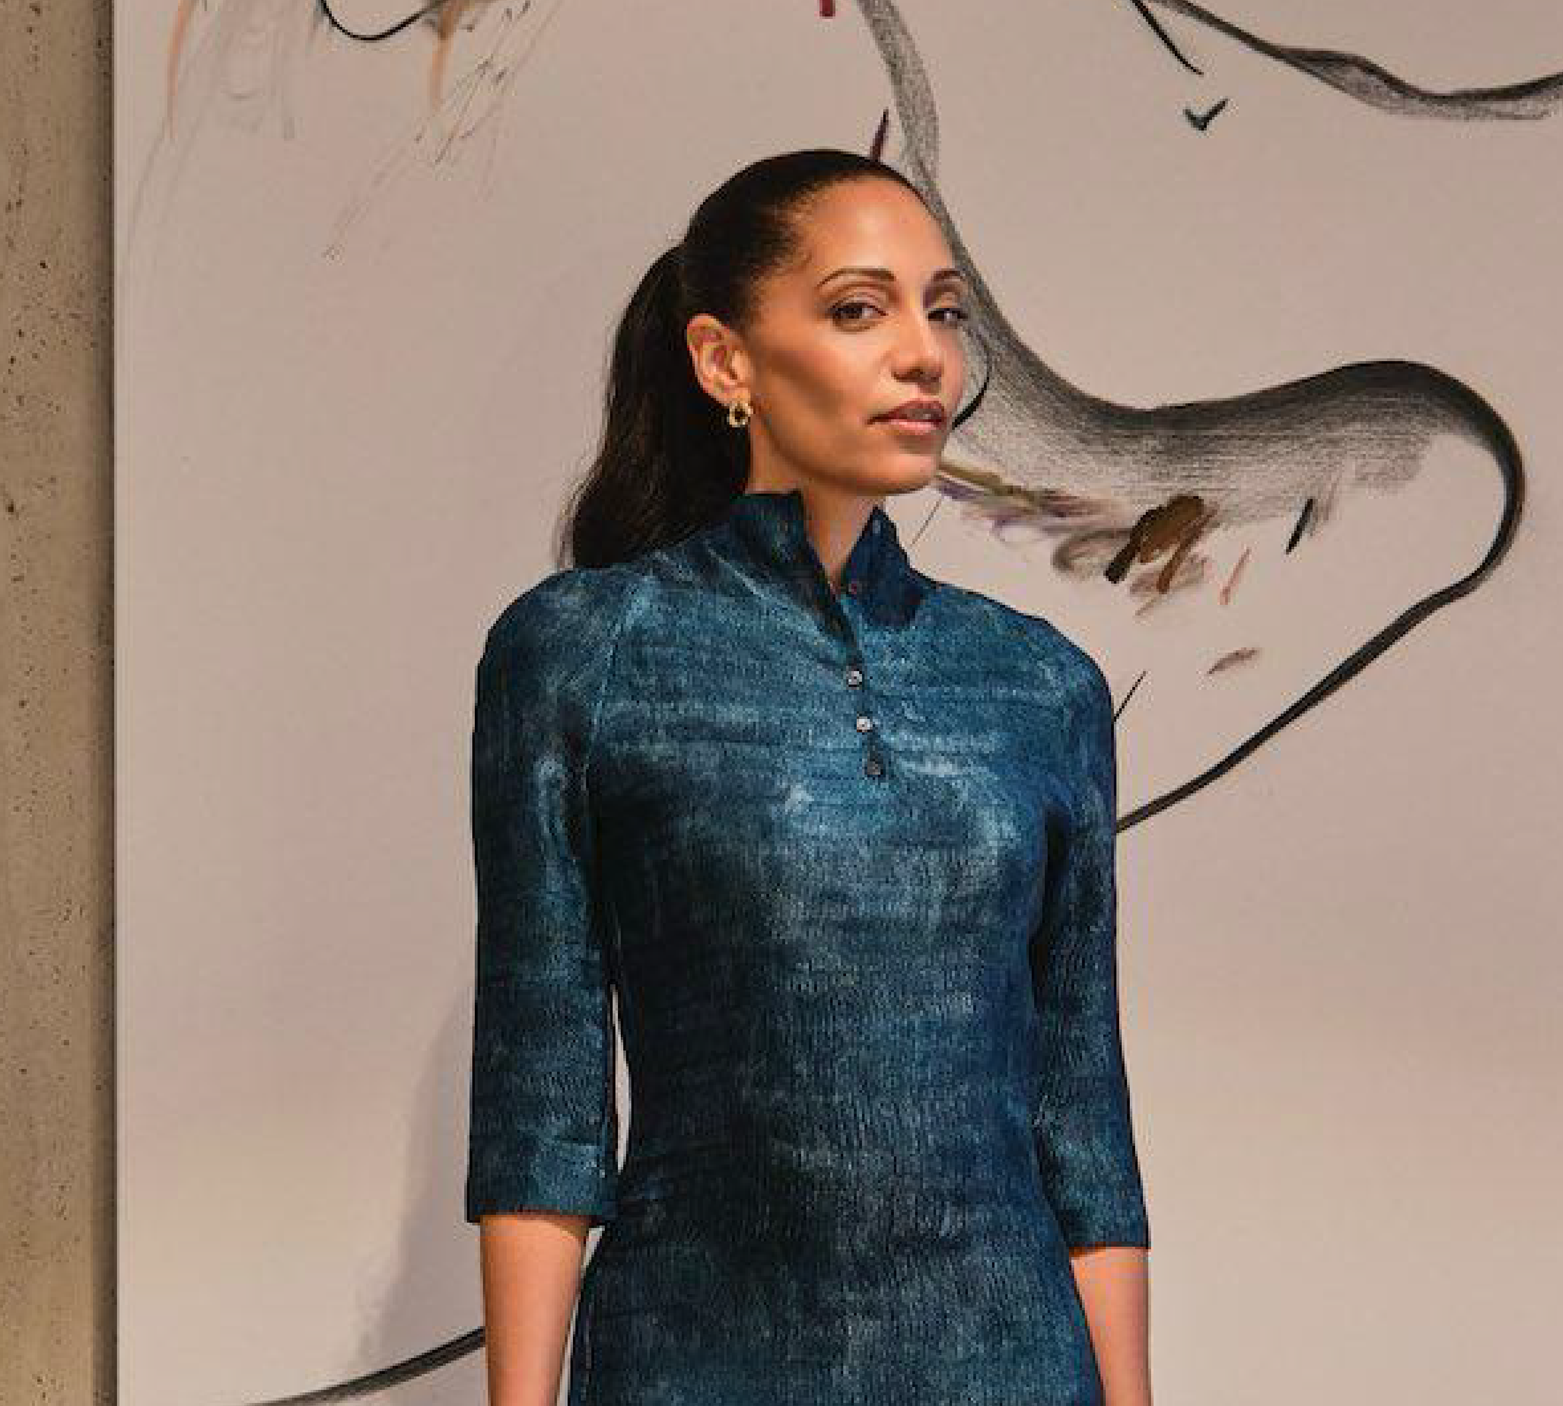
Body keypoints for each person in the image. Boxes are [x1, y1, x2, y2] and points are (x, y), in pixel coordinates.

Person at [463, 148, 1153, 1405]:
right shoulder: (581, 651)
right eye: (857, 308)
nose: (923, 354)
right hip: (697, 1360)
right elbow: (540, 1103)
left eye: (943, 310)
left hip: (1012, 1366)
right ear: (724, 361)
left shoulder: (1040, 684)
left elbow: (1083, 1123)